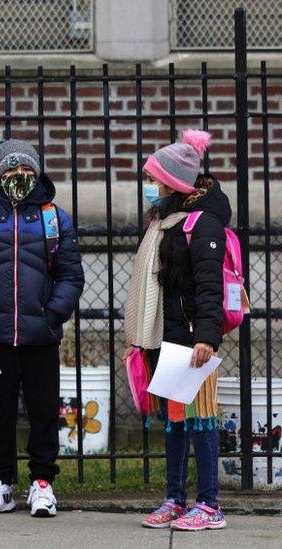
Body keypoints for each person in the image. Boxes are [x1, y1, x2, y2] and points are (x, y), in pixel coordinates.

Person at [0, 138, 84, 517]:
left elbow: (71, 277)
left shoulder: (53, 218)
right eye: (11, 170)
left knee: (44, 411)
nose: (19, 176)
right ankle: (0, 484)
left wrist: (50, 316)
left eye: (27, 169)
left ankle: (42, 484)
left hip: (40, 336)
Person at [124, 130, 227, 531]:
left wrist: (206, 336)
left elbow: (208, 285)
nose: (150, 186)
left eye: (155, 179)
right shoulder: (162, 220)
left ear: (175, 182)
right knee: (175, 423)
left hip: (193, 339)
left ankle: (210, 504)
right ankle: (175, 498)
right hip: (165, 337)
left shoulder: (202, 224)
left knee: (201, 420)